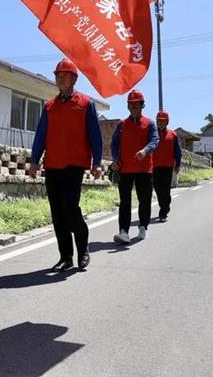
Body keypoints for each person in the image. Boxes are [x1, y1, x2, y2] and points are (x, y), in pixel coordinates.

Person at [29, 58, 103, 272]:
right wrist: (34, 160)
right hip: (53, 164)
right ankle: (66, 257)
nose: (60, 79)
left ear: (74, 79)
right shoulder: (49, 106)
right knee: (57, 213)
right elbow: (41, 135)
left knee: (70, 208)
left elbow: (95, 136)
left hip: (74, 164)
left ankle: (83, 248)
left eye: (64, 75)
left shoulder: (86, 104)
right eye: (57, 75)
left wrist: (97, 163)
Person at [110, 90, 159, 244]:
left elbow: (155, 141)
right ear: (128, 106)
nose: (133, 107)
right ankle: (123, 232)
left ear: (142, 105)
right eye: (131, 104)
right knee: (125, 202)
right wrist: (115, 159)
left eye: (136, 104)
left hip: (144, 169)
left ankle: (143, 227)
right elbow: (114, 144)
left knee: (144, 200)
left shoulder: (150, 124)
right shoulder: (122, 125)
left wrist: (145, 151)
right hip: (125, 169)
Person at [151, 111, 182, 222]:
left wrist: (178, 164)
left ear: (167, 122)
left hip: (168, 167)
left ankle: (163, 212)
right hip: (154, 167)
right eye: (159, 121)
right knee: (158, 189)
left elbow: (177, 151)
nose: (160, 123)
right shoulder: (152, 134)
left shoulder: (173, 134)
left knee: (165, 190)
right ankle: (164, 207)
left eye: (163, 121)